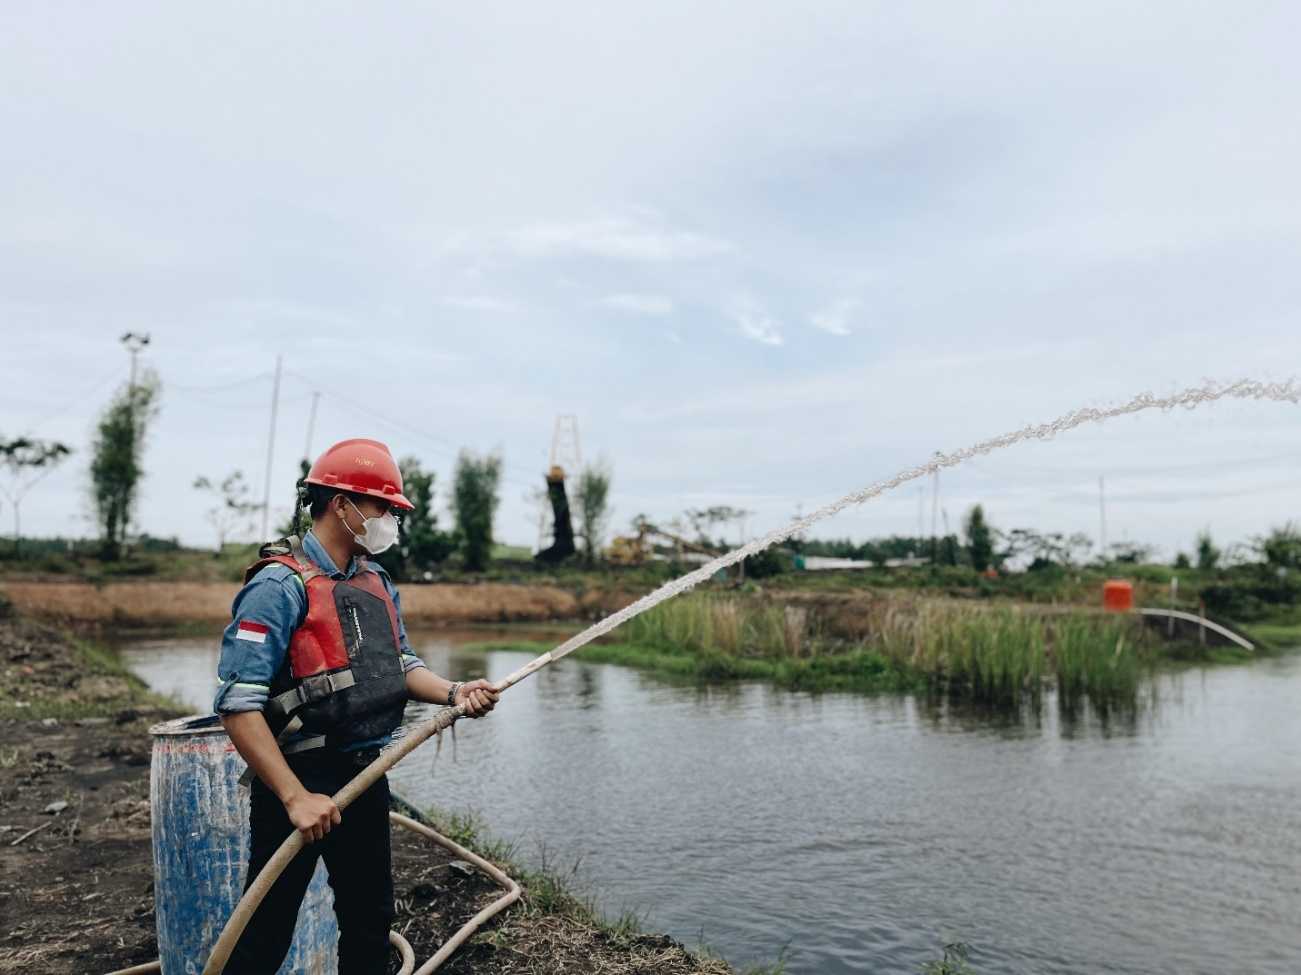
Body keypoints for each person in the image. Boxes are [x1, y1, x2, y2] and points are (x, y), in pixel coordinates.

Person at [213, 438, 499, 975]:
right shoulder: (279, 586)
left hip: (367, 775)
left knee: (369, 929)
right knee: (263, 939)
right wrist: (296, 797)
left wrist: (456, 692)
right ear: (341, 504)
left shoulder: (375, 580)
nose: (389, 518)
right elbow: (237, 706)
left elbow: (404, 664)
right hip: (299, 777)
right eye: (381, 506)